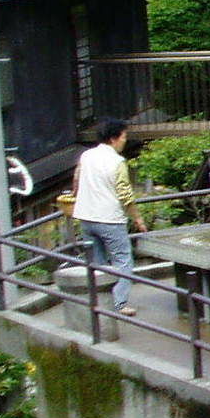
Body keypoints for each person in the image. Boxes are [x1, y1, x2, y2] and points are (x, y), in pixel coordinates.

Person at [70, 118, 146, 315]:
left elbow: (77, 179)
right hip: (110, 219)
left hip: (86, 217)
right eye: (123, 137)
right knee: (123, 261)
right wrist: (137, 218)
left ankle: (99, 303)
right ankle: (119, 303)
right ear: (114, 138)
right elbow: (125, 194)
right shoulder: (117, 162)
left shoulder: (86, 155)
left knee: (97, 263)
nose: (124, 141)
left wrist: (75, 198)